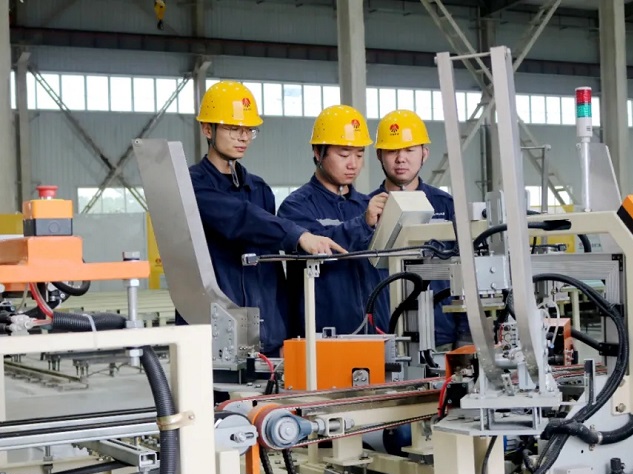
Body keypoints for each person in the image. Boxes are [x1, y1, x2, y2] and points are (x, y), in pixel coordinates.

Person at [181, 80, 344, 357]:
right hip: (214, 334)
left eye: (249, 130)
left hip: (268, 334)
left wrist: (285, 332)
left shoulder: (259, 189)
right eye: (233, 129)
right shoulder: (191, 185)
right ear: (208, 129)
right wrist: (298, 235)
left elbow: (273, 269)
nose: (243, 137)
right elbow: (240, 218)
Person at [278, 104, 389, 336]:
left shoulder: (365, 205)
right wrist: (363, 224)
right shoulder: (296, 207)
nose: (353, 164)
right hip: (320, 337)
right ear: (318, 152)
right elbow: (321, 248)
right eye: (344, 154)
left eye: (359, 154)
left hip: (373, 333)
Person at [368, 109, 470, 350]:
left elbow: (467, 272)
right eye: (392, 151)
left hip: (441, 337)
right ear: (379, 155)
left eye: (409, 150)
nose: (401, 159)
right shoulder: (367, 211)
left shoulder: (446, 205)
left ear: (424, 153)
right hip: (383, 337)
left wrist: (465, 335)